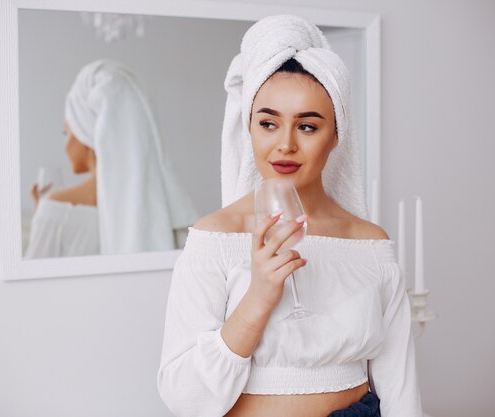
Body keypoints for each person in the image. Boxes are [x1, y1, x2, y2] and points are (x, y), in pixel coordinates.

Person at [157, 15, 423, 417]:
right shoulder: (215, 240)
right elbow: (185, 399)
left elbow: (400, 389)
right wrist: (259, 297)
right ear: (249, 127)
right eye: (268, 123)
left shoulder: (369, 245)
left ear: (336, 135)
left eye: (308, 126)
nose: (285, 144)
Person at [25, 59, 198, 258]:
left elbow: (30, 284)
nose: (65, 144)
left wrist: (44, 215)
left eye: (66, 132)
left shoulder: (56, 206)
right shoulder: (157, 205)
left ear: (86, 132)